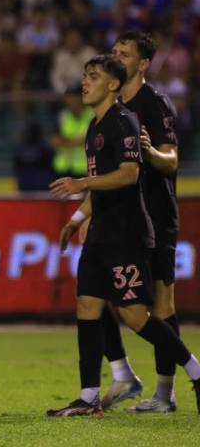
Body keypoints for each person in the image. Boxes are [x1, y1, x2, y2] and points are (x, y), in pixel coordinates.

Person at [48, 54, 200, 417]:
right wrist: (79, 215)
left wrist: (81, 183)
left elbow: (130, 174)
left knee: (134, 316)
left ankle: (196, 370)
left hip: (126, 235)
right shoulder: (94, 126)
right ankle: (88, 398)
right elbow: (102, 183)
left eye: (93, 76)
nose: (85, 82)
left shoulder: (122, 122)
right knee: (86, 304)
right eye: (85, 76)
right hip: (101, 232)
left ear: (113, 85)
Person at [100, 31, 181, 413]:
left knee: (162, 303)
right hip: (119, 217)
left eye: (125, 54)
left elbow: (171, 161)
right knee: (94, 295)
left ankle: (166, 393)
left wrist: (149, 152)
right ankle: (123, 374)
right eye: (114, 52)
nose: (117, 57)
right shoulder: (112, 105)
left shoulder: (155, 103)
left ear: (143, 64)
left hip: (157, 215)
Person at [51, 86, 94, 178]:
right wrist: (76, 142)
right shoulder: (62, 115)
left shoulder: (92, 115)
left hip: (84, 170)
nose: (70, 102)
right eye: (68, 99)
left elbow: (90, 141)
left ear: (81, 98)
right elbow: (54, 141)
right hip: (62, 169)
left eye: (73, 98)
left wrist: (66, 142)